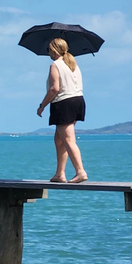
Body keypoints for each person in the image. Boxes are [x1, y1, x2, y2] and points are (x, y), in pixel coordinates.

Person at [37, 38, 88, 183]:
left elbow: (54, 89)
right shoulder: (73, 64)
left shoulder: (55, 65)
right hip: (78, 101)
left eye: (48, 50)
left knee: (68, 140)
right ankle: (60, 173)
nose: (48, 53)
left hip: (64, 103)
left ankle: (80, 171)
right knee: (59, 139)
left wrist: (42, 105)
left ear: (53, 50)